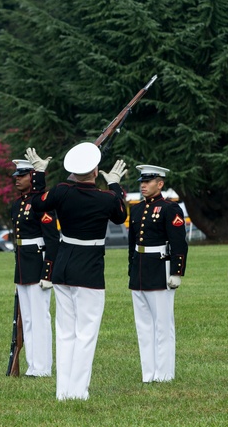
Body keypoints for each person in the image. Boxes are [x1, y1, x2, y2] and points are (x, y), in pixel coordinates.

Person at [27, 144, 128, 400]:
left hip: (63, 267)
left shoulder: (62, 191)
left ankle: (63, 391)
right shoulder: (106, 198)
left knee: (65, 332)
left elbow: (37, 203)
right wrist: (115, 184)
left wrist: (39, 174)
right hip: (89, 271)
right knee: (86, 333)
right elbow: (120, 215)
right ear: (96, 171)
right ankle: (78, 391)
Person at [128, 164, 188, 383]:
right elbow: (131, 243)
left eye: (148, 182)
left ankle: (163, 374)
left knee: (162, 325)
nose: (143, 186)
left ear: (160, 184)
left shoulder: (170, 208)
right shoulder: (135, 208)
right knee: (143, 326)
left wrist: (177, 271)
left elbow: (179, 242)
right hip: (140, 269)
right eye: (142, 182)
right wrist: (131, 269)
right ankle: (148, 373)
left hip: (160, 267)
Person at [10, 157, 60, 377]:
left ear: (33, 177)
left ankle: (43, 367)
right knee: (28, 319)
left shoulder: (42, 202)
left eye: (22, 176)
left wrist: (48, 271)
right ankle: (33, 365)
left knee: (40, 318)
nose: (17, 180)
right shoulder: (17, 204)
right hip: (23, 264)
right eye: (16, 176)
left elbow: (51, 239)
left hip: (39, 262)